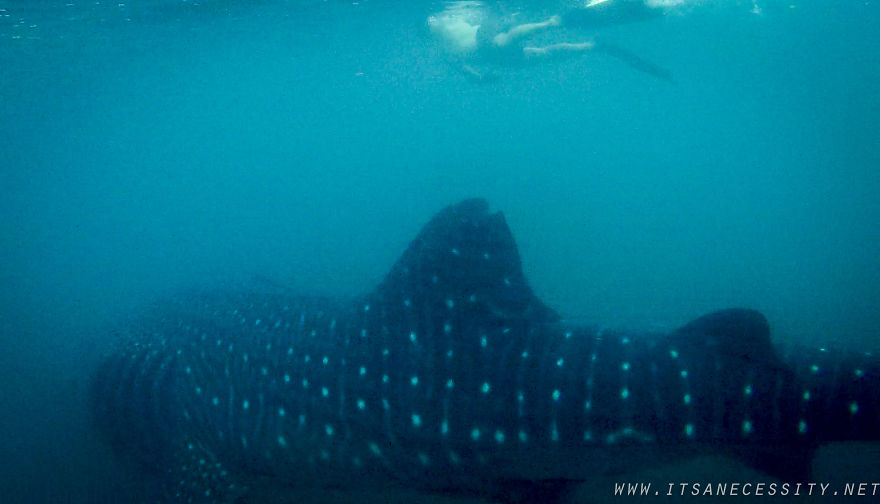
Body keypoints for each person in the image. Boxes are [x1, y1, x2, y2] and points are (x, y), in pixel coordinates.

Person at [427, 0, 672, 83]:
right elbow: (468, 73)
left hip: (489, 38)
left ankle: (552, 22)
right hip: (499, 57)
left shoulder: (444, 24)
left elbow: (473, 21)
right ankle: (596, 46)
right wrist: (482, 79)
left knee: (501, 42)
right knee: (544, 55)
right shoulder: (442, 52)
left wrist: (498, 16)